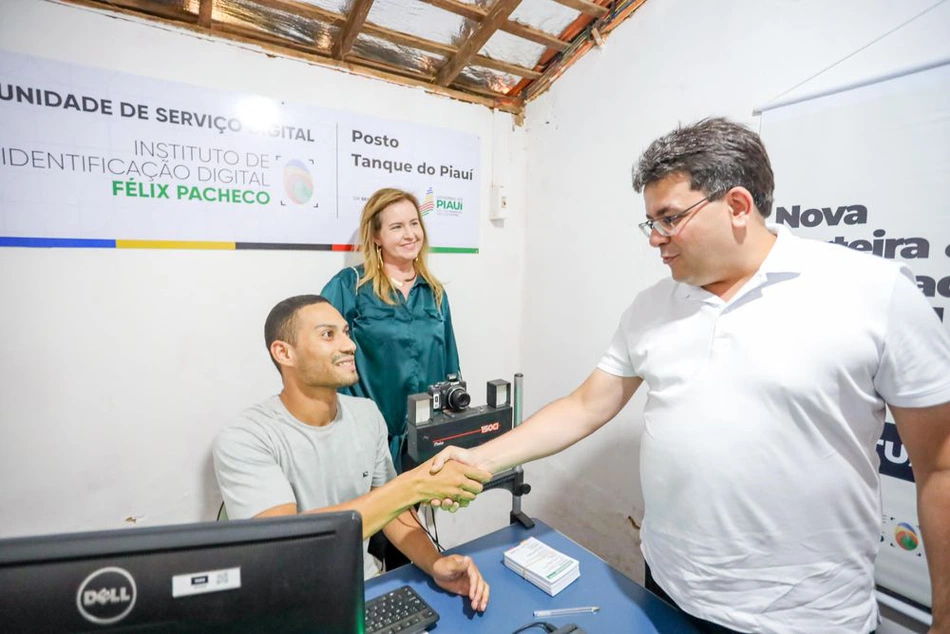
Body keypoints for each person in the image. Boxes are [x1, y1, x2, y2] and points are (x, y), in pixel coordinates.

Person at [430, 118, 950, 633]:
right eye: (650, 222)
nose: (656, 238)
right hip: (670, 587)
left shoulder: (872, 292)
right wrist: (478, 459)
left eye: (669, 218)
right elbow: (586, 406)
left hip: (807, 616)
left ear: (739, 206)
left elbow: (940, 468)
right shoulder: (651, 307)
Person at [212, 295, 490, 613]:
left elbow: (394, 511)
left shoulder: (366, 414)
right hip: (287, 603)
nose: (350, 345)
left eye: (346, 332)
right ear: (284, 352)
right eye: (328, 335)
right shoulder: (244, 437)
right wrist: (412, 486)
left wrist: (435, 563)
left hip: (364, 588)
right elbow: (282, 543)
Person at [321, 188, 460, 473]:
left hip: (425, 436)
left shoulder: (434, 292)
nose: (410, 234)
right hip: (367, 439)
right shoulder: (351, 286)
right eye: (396, 227)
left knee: (419, 515)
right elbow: (322, 359)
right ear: (376, 236)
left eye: (414, 223)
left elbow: (450, 363)